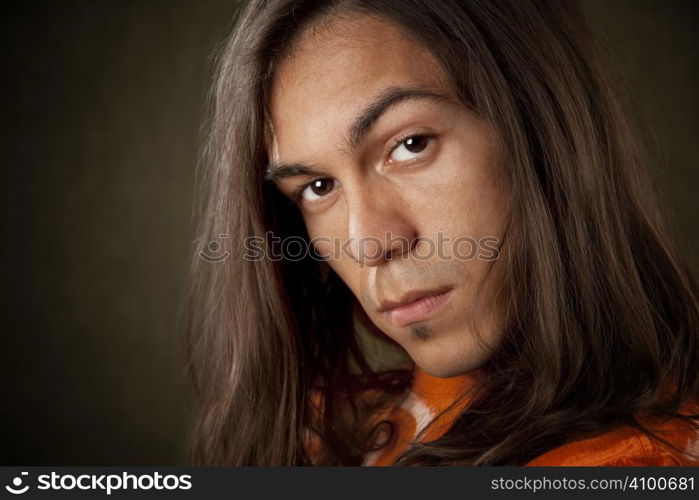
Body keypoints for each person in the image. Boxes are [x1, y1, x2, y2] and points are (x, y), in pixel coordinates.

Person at [184, 0, 699, 466]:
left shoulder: (644, 463)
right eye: (318, 186)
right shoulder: (319, 435)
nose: (368, 242)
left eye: (410, 145)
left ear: (544, 127)